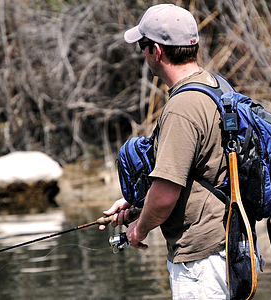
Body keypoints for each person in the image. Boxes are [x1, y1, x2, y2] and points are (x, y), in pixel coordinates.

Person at [99, 4, 230, 300]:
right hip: (233, 246)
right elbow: (202, 172)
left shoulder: (182, 108)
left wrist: (139, 229)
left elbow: (167, 194)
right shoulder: (217, 86)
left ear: (156, 51)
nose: (143, 54)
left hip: (201, 262)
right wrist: (135, 204)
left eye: (143, 47)